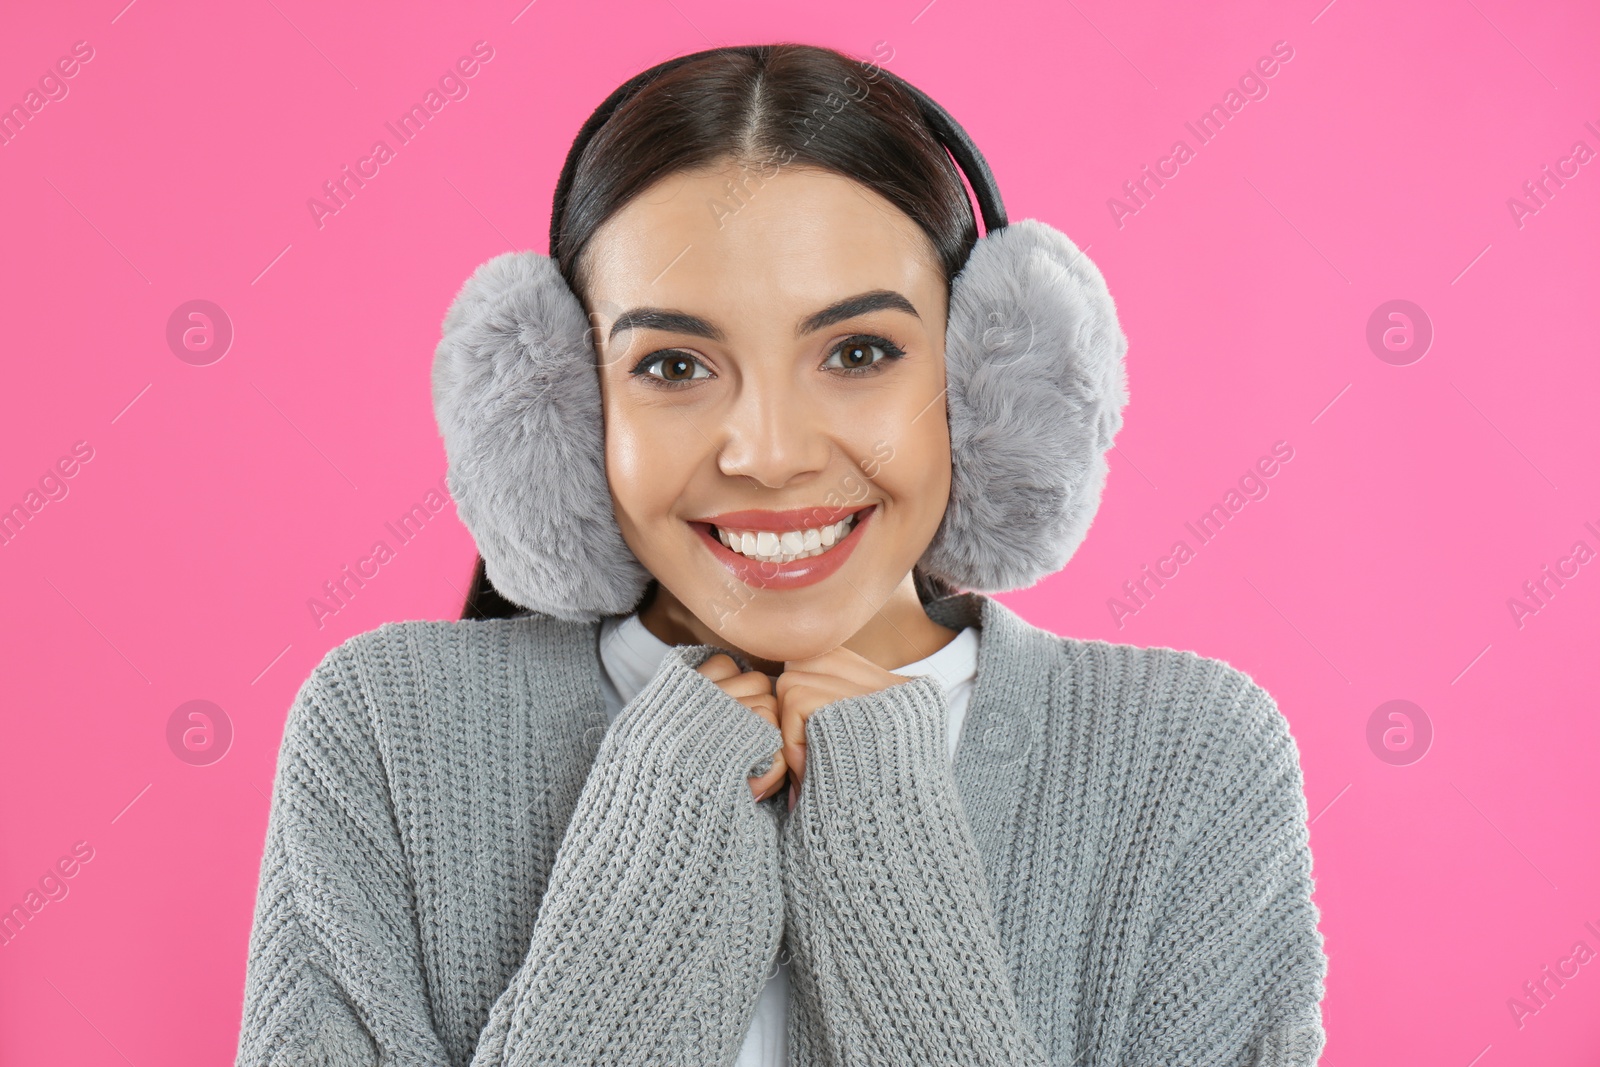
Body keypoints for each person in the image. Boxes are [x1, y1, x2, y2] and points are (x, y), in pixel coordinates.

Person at [235, 42, 1328, 1067]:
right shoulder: (388, 732)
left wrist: (890, 855)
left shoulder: (1187, 760)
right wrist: (653, 843)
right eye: (671, 366)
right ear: (564, 414)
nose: (767, 454)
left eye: (858, 352)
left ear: (987, 384)